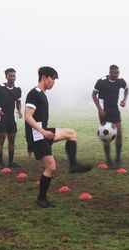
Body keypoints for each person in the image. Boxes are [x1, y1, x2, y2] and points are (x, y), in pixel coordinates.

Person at [25, 66, 92, 208]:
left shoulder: (42, 94)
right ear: (44, 77)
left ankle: (73, 165)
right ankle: (41, 199)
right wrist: (41, 134)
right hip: (38, 135)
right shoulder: (34, 93)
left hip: (43, 132)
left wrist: (44, 132)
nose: (54, 82)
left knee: (71, 133)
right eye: (52, 79)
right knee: (51, 168)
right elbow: (27, 117)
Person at [92, 65, 129, 169]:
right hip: (104, 112)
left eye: (118, 73)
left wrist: (124, 100)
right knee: (107, 136)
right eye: (114, 73)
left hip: (115, 110)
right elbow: (94, 95)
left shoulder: (120, 81)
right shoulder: (101, 82)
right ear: (110, 72)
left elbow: (126, 89)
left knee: (120, 134)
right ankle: (108, 160)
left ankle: (117, 159)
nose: (117, 75)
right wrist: (99, 109)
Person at [0, 68, 22, 169]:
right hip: (0, 117)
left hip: (11, 118)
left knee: (12, 140)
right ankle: (0, 162)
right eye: (10, 76)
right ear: (6, 77)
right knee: (1, 139)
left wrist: (19, 110)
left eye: (14, 76)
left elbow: (18, 102)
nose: (12, 77)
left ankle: (11, 162)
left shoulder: (17, 90)